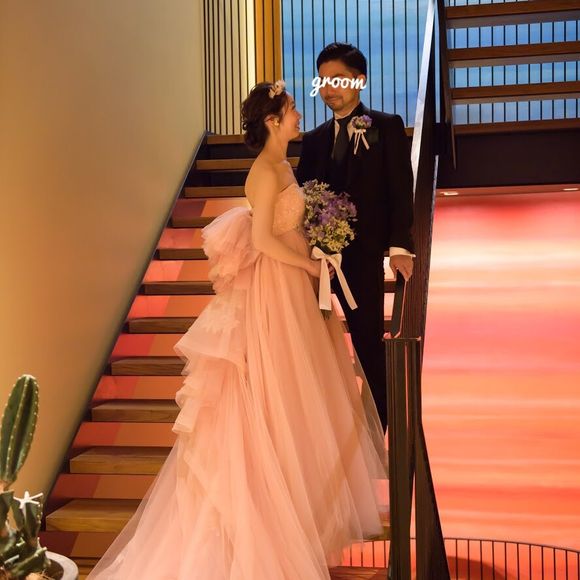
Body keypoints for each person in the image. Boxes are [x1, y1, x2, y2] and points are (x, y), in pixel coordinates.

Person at [86, 80, 388, 580]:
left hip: (292, 285)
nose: (298, 115)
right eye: (291, 109)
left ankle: (296, 522)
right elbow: (264, 241)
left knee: (298, 398)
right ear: (272, 120)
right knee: (273, 397)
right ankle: (263, 535)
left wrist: (315, 246)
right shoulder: (264, 173)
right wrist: (309, 265)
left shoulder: (282, 165)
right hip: (277, 286)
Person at [297, 43, 415, 431]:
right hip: (316, 263)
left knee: (368, 345)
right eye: (322, 80)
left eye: (338, 79)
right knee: (311, 348)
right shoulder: (313, 140)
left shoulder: (386, 126)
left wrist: (400, 247)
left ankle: (382, 432)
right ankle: (323, 431)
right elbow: (303, 198)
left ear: (359, 80)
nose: (328, 88)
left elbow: (401, 190)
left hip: (364, 259)